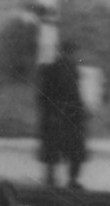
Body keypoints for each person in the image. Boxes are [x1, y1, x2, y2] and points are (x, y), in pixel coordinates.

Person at [36, 41, 89, 191]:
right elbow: (74, 96)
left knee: (55, 149)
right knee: (72, 150)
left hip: (58, 117)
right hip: (67, 117)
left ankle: (53, 178)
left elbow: (42, 97)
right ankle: (69, 180)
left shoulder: (55, 69)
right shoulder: (68, 70)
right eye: (73, 52)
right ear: (68, 52)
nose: (75, 56)